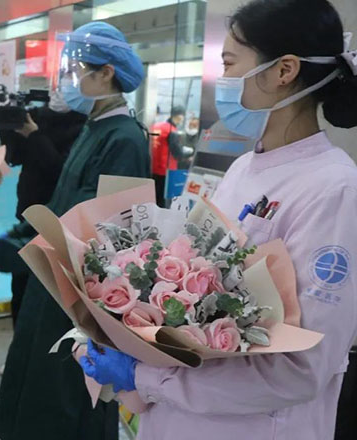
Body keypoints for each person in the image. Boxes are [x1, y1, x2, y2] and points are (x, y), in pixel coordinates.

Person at [77, 1, 357, 440]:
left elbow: (301, 368)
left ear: (283, 70)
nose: (221, 79)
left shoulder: (333, 188)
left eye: (229, 63)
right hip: (181, 417)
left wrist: (148, 378)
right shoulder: (244, 168)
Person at [0, 22, 150, 439]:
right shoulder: (95, 129)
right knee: (34, 396)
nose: (68, 80)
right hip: (52, 284)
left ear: (106, 73)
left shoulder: (124, 140)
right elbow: (62, 205)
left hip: (76, 293)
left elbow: (95, 234)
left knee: (62, 408)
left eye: (77, 70)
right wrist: (13, 237)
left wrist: (5, 253)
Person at [0, 95, 87, 326]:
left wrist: (35, 135)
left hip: (60, 217)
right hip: (27, 211)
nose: (59, 92)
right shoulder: (36, 116)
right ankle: (18, 334)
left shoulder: (84, 127)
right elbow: (14, 157)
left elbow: (61, 172)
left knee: (51, 292)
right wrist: (8, 129)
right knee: (20, 284)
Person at [150, 105, 190, 207]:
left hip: (153, 168)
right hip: (166, 170)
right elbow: (177, 153)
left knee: (155, 197)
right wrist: (189, 153)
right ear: (180, 116)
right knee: (164, 200)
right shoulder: (171, 130)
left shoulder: (157, 126)